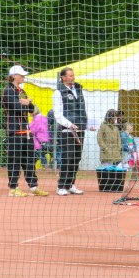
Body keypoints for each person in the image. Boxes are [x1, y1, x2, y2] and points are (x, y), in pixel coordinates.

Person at [1, 65, 49, 198]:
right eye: (21, 75)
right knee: (14, 160)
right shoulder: (8, 91)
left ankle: (33, 186)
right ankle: (13, 188)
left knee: (29, 160)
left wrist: (27, 103)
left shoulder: (21, 91)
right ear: (14, 76)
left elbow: (32, 109)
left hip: (26, 131)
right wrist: (24, 103)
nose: (23, 77)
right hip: (14, 130)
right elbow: (15, 107)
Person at [51, 67, 87, 196]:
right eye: (70, 76)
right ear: (63, 78)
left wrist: (86, 124)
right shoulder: (58, 92)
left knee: (77, 158)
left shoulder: (79, 89)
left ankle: (71, 184)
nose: (73, 77)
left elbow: (82, 110)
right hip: (68, 130)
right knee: (68, 157)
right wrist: (69, 124)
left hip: (80, 128)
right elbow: (58, 114)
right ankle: (61, 186)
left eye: (73, 75)